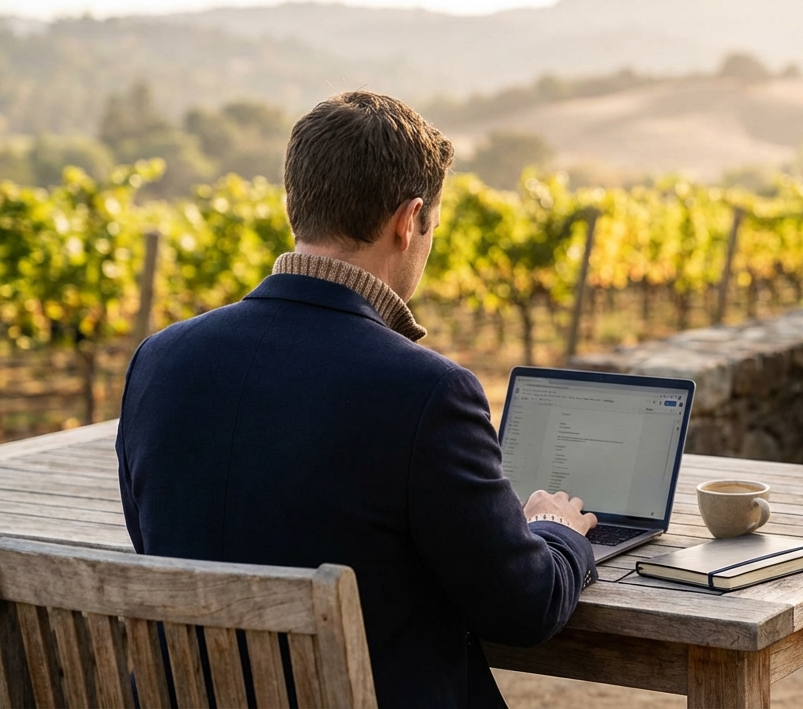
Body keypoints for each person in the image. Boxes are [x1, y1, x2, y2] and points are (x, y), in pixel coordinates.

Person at [116, 91, 598, 708]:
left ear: (298, 203)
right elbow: (525, 608)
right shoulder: (426, 392)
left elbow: (156, 539)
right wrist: (558, 534)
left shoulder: (158, 360)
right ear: (409, 219)